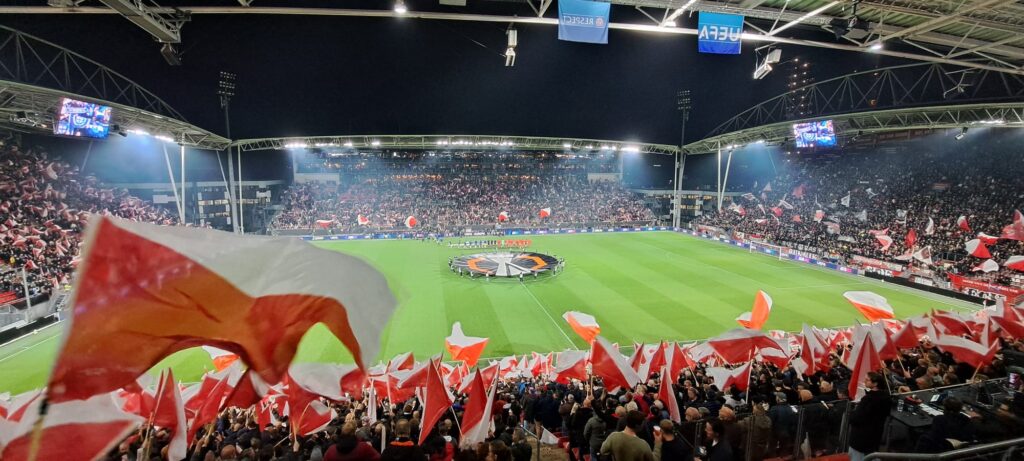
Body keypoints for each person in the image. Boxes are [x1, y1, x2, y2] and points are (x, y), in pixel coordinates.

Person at [847, 372, 892, 461]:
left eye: (867, 380)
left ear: (875, 383)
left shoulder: (868, 399)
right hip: (875, 435)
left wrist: (852, 413)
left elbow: (856, 418)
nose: (865, 381)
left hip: (861, 438)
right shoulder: (886, 396)